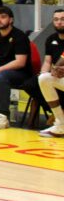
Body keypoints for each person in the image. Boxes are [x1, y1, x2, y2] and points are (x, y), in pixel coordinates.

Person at [35, 9, 64, 137]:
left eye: (62, 19)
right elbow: (49, 62)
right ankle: (61, 123)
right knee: (43, 78)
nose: (59, 22)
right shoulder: (51, 39)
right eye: (56, 19)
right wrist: (53, 71)